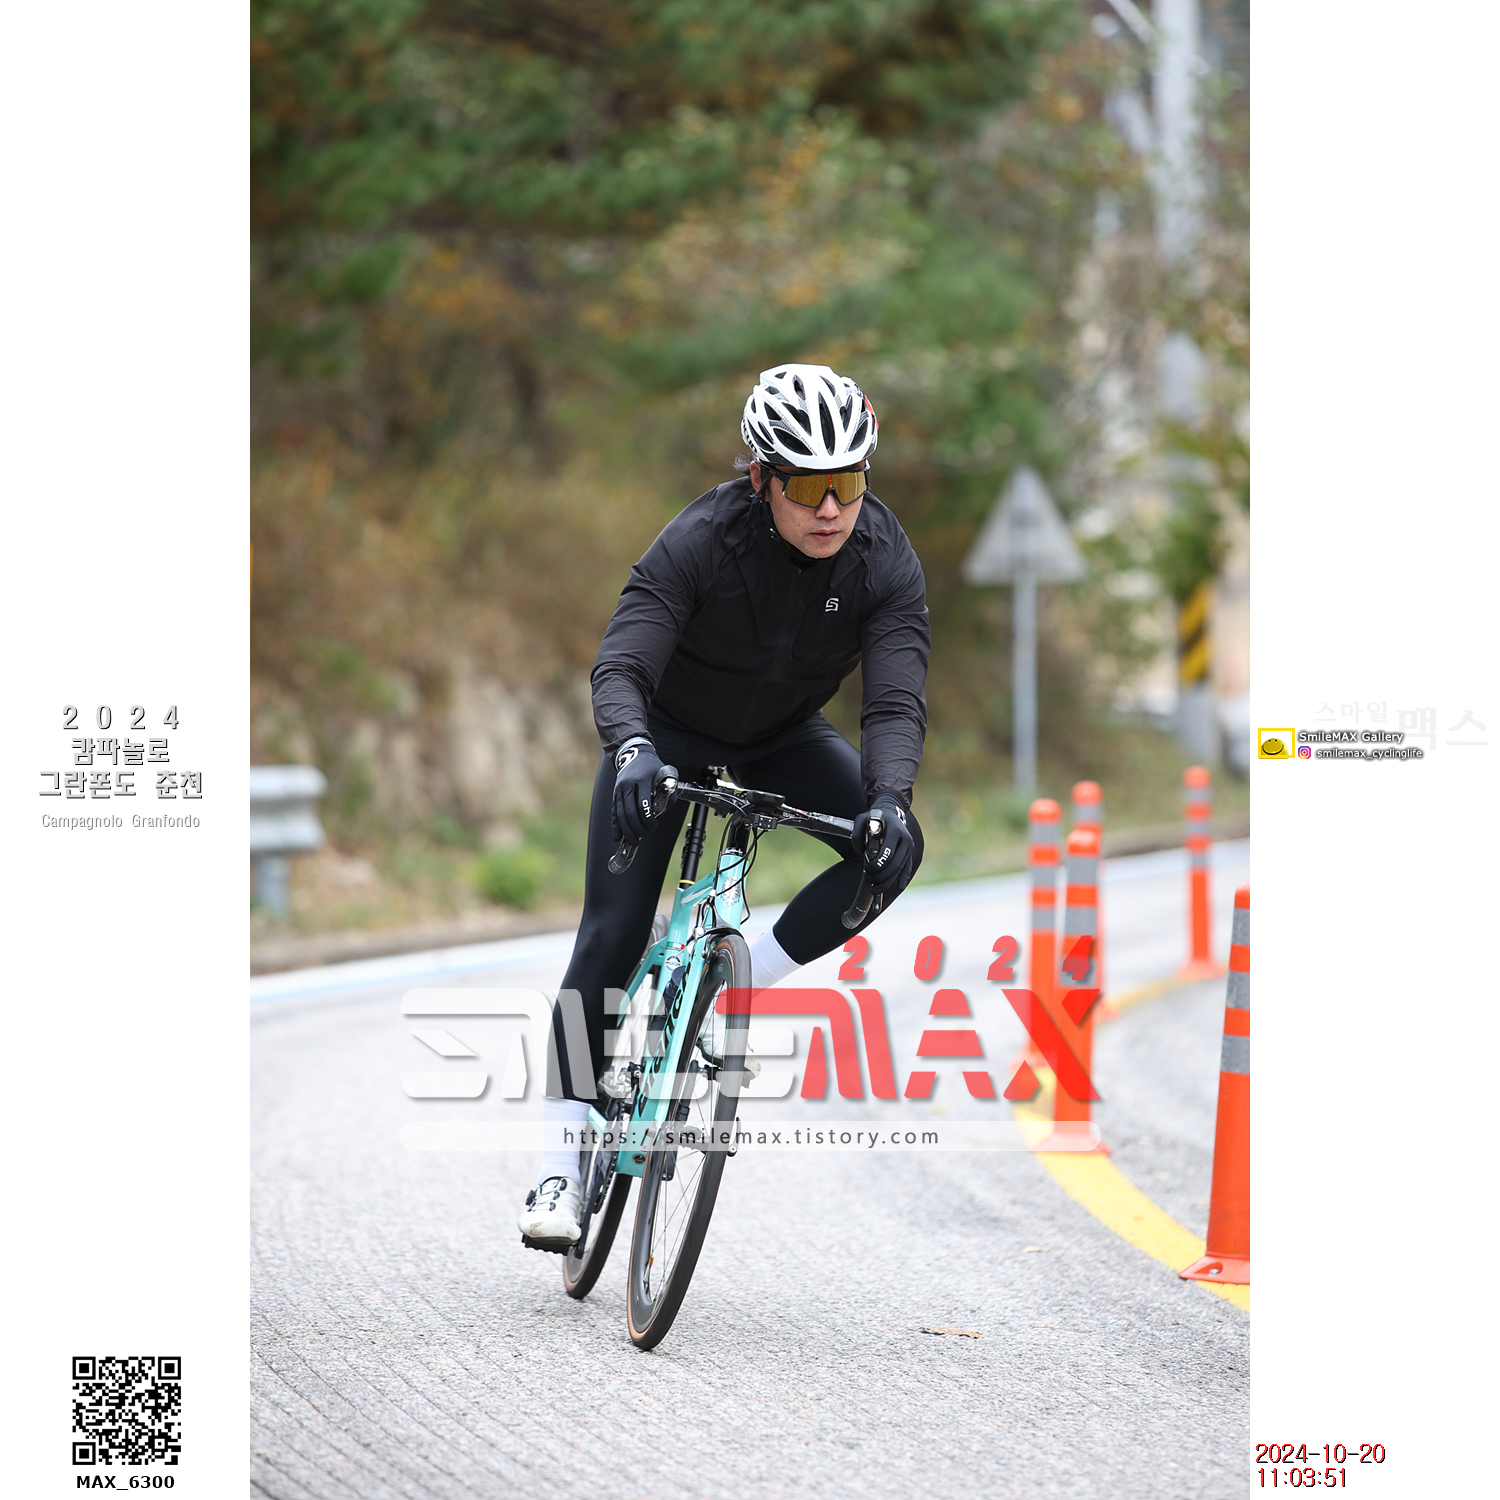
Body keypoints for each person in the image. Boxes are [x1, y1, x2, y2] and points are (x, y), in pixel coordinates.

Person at [519, 363, 930, 1250]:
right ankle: (557, 1166)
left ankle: (737, 983)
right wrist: (632, 747)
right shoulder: (703, 539)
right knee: (611, 936)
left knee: (894, 852)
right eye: (807, 486)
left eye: (848, 480)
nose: (831, 507)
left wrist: (889, 799)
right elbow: (622, 664)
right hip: (665, 734)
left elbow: (895, 703)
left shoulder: (884, 557)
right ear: (760, 478)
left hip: (782, 735)